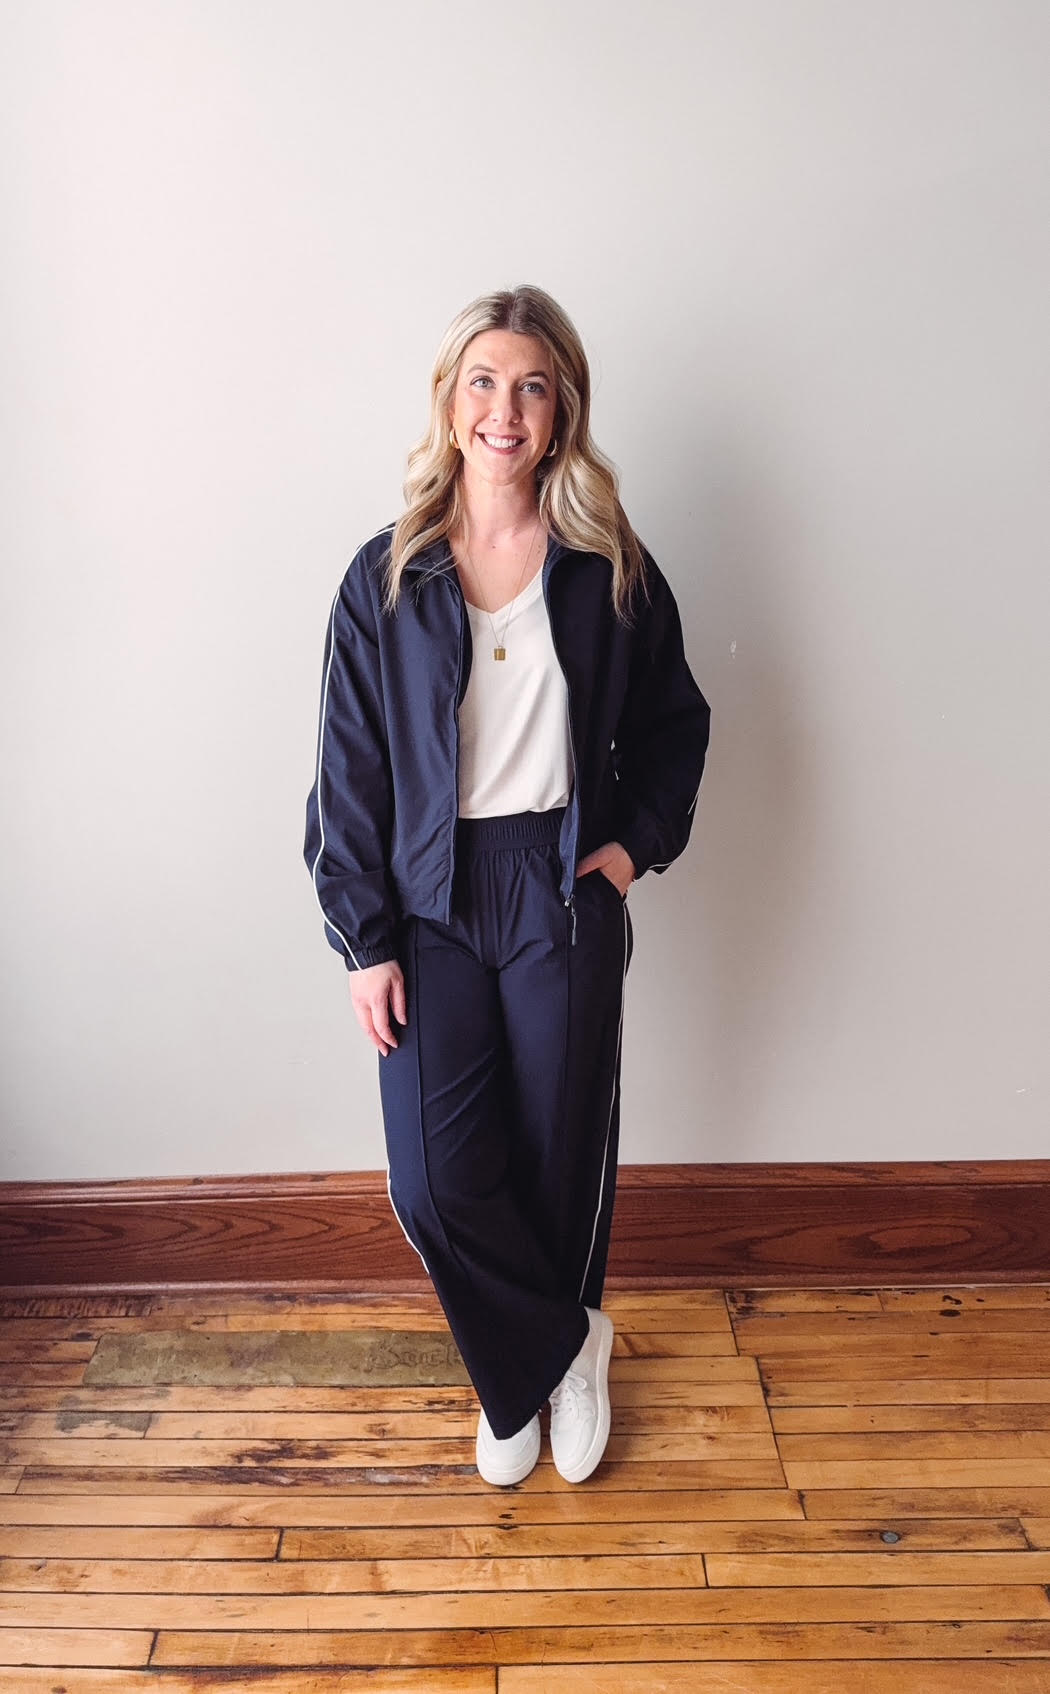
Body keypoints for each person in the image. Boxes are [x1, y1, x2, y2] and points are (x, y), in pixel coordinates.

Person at [305, 284, 710, 1487]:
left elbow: (677, 725)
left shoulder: (607, 568)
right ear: (450, 401)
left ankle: (539, 1370)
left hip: (560, 882)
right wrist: (364, 939)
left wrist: (631, 851)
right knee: (432, 1182)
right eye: (484, 381)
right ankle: (552, 1346)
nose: (506, 409)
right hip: (428, 895)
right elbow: (348, 774)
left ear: (560, 410)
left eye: (532, 386)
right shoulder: (385, 578)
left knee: (557, 1148)